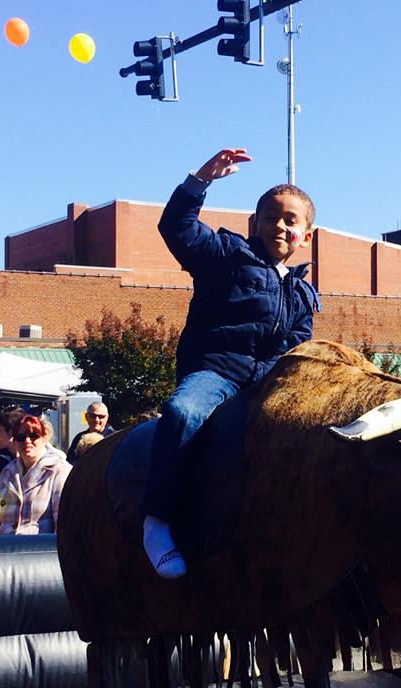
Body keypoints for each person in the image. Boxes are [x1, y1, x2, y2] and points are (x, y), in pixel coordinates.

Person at [142, 148, 319, 579]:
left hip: (266, 386)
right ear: (253, 224)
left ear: (306, 236)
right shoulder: (226, 255)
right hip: (216, 373)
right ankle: (157, 523)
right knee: (182, 413)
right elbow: (177, 227)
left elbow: (296, 348)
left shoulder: (303, 295)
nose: (280, 225)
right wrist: (199, 180)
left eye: (291, 220)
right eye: (271, 217)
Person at [0, 415, 71, 535]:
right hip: (2, 549)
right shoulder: (7, 472)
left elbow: (65, 527)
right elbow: (1, 519)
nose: (27, 441)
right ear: (14, 441)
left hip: (36, 550)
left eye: (33, 436)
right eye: (21, 437)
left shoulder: (59, 471)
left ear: (44, 438)